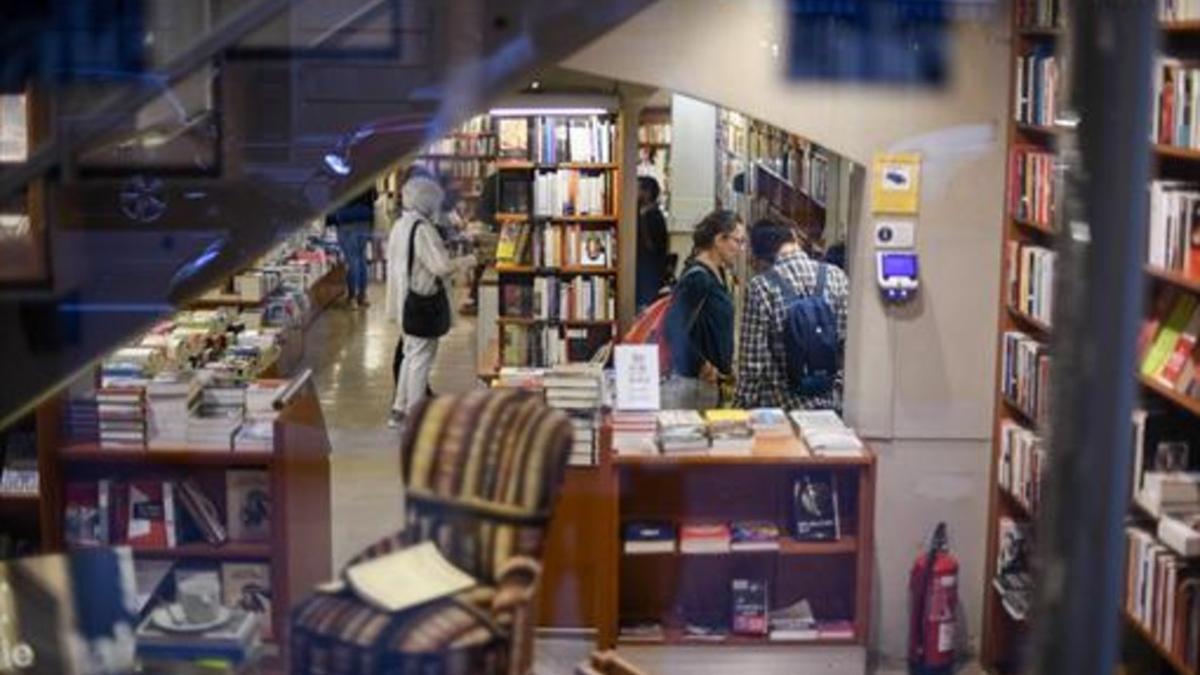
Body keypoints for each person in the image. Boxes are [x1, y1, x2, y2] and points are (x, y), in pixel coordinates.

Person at [385, 174, 476, 427]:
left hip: (405, 301)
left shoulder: (400, 225)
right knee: (421, 358)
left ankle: (399, 409)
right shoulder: (423, 229)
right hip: (422, 301)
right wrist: (468, 260)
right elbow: (440, 266)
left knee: (409, 354)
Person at [735, 218, 850, 412]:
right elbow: (848, 344)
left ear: (760, 257)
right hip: (831, 408)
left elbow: (752, 363)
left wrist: (740, 408)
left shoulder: (761, 287)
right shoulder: (835, 275)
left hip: (780, 411)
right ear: (794, 238)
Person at [662, 209, 745, 410]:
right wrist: (702, 365)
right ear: (719, 240)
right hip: (694, 387)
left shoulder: (718, 272)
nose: (741, 249)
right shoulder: (697, 278)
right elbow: (673, 327)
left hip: (708, 385)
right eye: (738, 241)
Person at [326, 186, 376, 308]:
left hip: (346, 221)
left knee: (352, 260)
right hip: (364, 221)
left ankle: (352, 297)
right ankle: (362, 296)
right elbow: (374, 196)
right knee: (361, 258)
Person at [636, 176, 670, 310]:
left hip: (649, 275)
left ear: (647, 193)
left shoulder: (654, 217)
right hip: (645, 272)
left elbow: (651, 247)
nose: (634, 193)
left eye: (638, 189)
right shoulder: (644, 214)